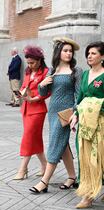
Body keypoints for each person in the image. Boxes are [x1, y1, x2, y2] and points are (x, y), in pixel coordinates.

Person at [30, 38, 82, 194]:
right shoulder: (52, 70)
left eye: (70, 51)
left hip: (66, 113)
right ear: (59, 52)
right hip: (52, 112)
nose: (68, 53)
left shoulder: (76, 71)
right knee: (62, 143)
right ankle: (72, 177)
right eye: (65, 50)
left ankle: (44, 181)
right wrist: (42, 84)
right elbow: (44, 93)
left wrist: (74, 112)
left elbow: (79, 94)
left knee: (54, 143)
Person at [70, 41, 104, 208]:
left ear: (102, 56)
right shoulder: (84, 75)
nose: (89, 56)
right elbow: (81, 99)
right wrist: (76, 114)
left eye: (94, 53)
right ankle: (88, 194)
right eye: (88, 53)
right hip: (85, 123)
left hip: (101, 123)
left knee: (99, 158)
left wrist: (95, 106)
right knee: (85, 158)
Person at [13, 45, 49, 180]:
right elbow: (24, 86)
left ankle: (23, 168)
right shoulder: (28, 72)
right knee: (35, 138)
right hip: (26, 109)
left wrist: (34, 98)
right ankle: (45, 165)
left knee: (28, 137)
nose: (30, 65)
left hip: (38, 109)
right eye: (28, 62)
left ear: (39, 60)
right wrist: (20, 94)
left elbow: (47, 92)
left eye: (32, 62)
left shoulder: (46, 72)